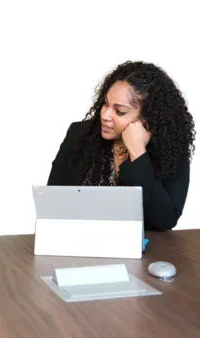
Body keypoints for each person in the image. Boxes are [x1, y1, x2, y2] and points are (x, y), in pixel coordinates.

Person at [46, 59, 197, 232]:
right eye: (105, 104)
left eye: (119, 111)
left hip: (143, 253)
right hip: (76, 242)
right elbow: (51, 201)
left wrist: (138, 154)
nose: (105, 115)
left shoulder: (172, 149)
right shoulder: (80, 134)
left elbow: (165, 221)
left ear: (148, 118)